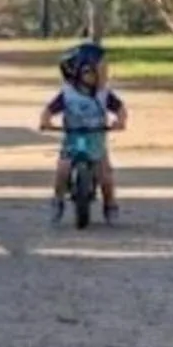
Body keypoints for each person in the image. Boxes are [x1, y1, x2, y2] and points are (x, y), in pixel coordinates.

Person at [39, 40, 127, 225]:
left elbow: (119, 108)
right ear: (79, 72)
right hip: (73, 137)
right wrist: (45, 120)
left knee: (105, 175)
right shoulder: (68, 94)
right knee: (62, 169)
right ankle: (58, 200)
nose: (101, 75)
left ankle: (110, 204)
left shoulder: (104, 94)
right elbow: (49, 109)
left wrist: (120, 121)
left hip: (95, 138)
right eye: (94, 71)